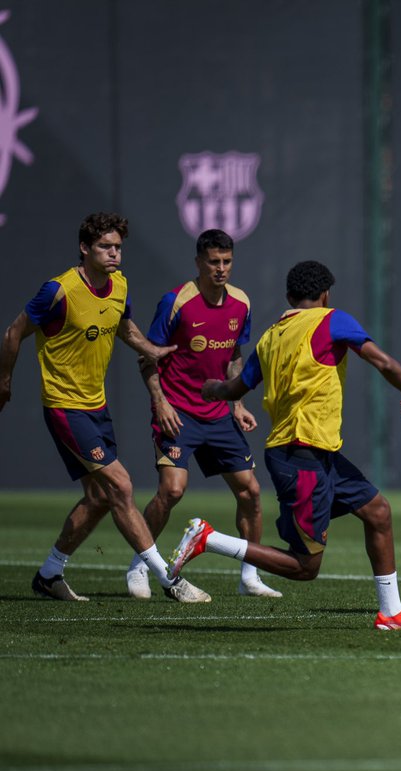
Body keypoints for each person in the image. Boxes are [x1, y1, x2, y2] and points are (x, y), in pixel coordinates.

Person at [167, 260, 401, 631]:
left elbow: (235, 389)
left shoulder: (270, 336)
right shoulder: (332, 319)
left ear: (288, 297)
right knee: (304, 567)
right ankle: (209, 539)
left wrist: (211, 388)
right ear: (326, 294)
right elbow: (384, 363)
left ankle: (391, 613)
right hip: (300, 455)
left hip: (313, 451)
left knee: (378, 512)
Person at [0, 212, 207, 602]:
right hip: (64, 406)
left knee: (98, 499)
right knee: (121, 485)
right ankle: (170, 580)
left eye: (117, 247)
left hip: (97, 406)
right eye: (105, 247)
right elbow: (14, 332)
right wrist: (4, 381)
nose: (114, 254)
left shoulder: (119, 285)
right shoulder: (58, 291)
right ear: (85, 248)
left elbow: (123, 325)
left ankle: (49, 574)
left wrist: (152, 349)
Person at [125, 229, 279, 600]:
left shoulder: (240, 302)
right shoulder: (176, 302)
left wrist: (237, 403)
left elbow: (234, 356)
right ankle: (139, 565)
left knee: (251, 492)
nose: (221, 269)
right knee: (172, 490)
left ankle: (250, 577)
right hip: (178, 413)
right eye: (213, 262)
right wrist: (160, 403)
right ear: (199, 262)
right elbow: (147, 357)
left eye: (226, 261)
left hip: (218, 415)